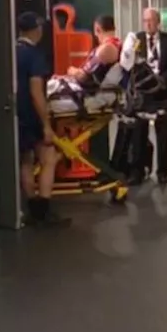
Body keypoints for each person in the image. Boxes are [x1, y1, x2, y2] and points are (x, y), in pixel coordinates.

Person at [15, 12, 69, 227]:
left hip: (16, 115)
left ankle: (32, 209)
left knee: (26, 161)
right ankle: (44, 210)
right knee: (49, 158)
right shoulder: (35, 55)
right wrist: (46, 125)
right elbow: (36, 92)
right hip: (32, 115)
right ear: (36, 30)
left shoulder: (12, 52)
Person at [135, 8, 167, 184]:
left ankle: (163, 172)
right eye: (145, 20)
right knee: (140, 132)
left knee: (163, 133)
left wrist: (162, 81)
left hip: (163, 92)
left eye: (151, 20)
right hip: (144, 93)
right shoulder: (137, 39)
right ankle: (141, 169)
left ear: (158, 21)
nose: (148, 23)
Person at [67, 15, 123, 86]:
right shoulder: (118, 45)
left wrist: (71, 71)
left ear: (98, 29)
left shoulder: (105, 49)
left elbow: (83, 76)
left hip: (86, 89)